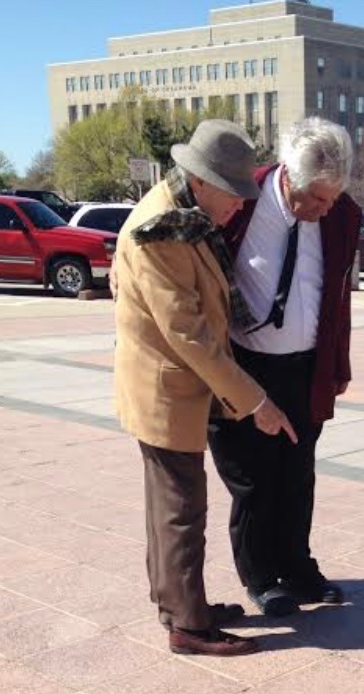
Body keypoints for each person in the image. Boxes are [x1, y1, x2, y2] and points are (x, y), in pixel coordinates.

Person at [113, 119, 296, 656]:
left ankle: (178, 602)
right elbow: (190, 337)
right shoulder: (162, 232)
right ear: (201, 181)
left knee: (171, 505)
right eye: (234, 194)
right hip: (166, 390)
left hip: (173, 386)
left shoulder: (181, 215)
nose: (240, 206)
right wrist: (256, 402)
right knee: (181, 509)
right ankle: (189, 628)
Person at [208, 117, 361, 617]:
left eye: (333, 197)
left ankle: (298, 568)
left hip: (304, 367)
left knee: (297, 474)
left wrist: (336, 365)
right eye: (315, 198)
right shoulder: (240, 201)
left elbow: (337, 298)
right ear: (288, 175)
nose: (325, 208)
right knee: (253, 479)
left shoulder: (341, 216)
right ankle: (261, 576)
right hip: (243, 366)